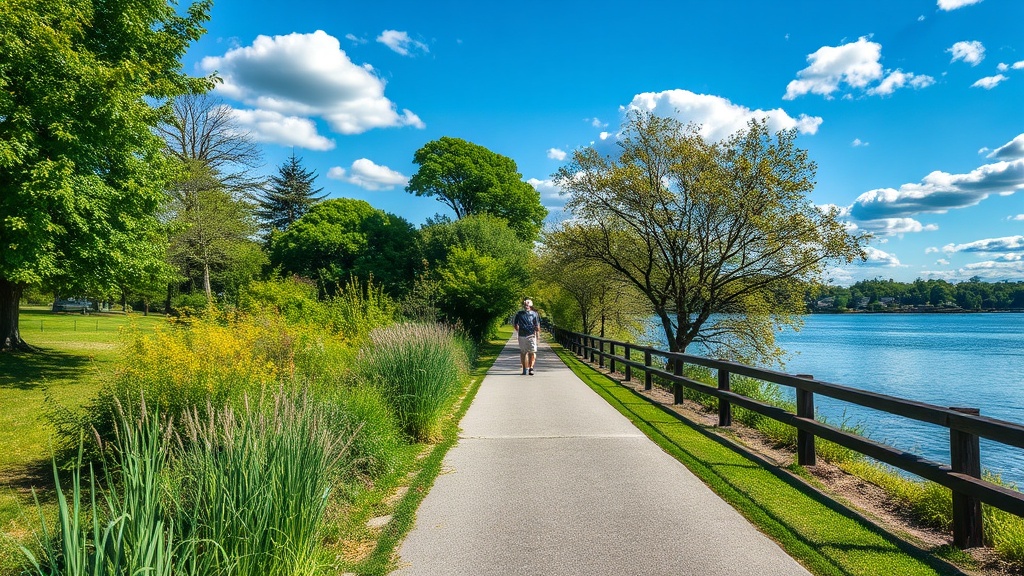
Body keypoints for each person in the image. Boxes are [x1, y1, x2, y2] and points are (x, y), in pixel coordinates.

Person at [513, 298, 541, 375]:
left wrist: (538, 334)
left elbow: (537, 325)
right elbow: (515, 324)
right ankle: (524, 368)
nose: (526, 306)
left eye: (528, 304)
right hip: (522, 335)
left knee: (532, 352)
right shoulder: (519, 314)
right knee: (523, 352)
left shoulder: (534, 314)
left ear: (530, 305)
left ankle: (531, 368)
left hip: (531, 335)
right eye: (525, 304)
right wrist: (519, 331)